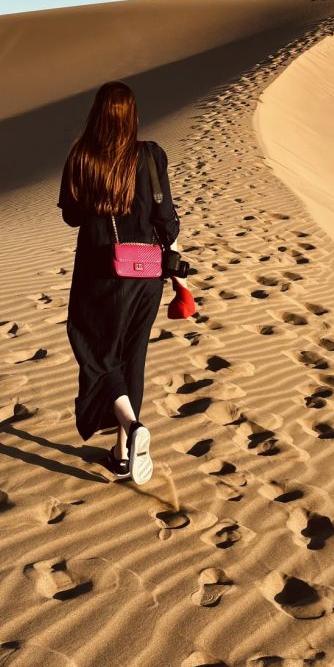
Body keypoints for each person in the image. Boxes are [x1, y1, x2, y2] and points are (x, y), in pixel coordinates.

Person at [57, 82, 192, 484]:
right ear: (132, 115)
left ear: (97, 113)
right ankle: (121, 453)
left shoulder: (82, 156)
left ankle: (132, 428)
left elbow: (71, 217)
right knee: (132, 357)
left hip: (99, 274)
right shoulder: (151, 155)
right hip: (146, 274)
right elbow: (167, 221)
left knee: (96, 352)